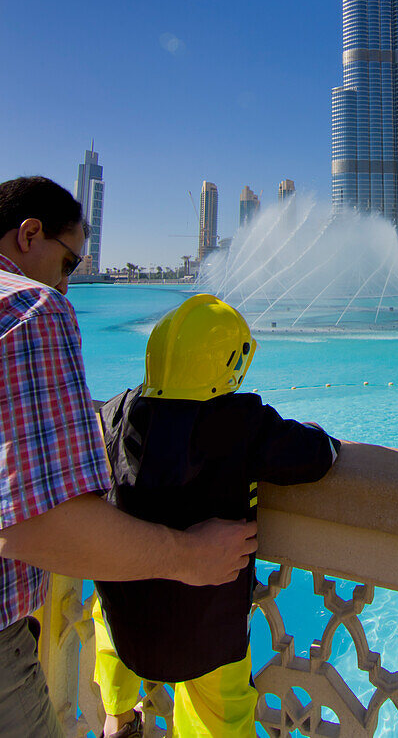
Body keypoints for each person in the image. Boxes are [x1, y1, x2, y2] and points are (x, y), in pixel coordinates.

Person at [0, 176, 258, 738]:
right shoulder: (29, 307)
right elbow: (37, 524)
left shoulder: (121, 410)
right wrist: (191, 556)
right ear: (29, 235)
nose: (67, 287)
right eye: (68, 264)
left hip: (123, 633)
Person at [92, 293, 340, 738]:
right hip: (208, 629)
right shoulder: (240, 422)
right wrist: (323, 436)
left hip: (126, 621)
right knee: (219, 718)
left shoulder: (116, 412)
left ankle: (118, 719)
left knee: (105, 623)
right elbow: (315, 456)